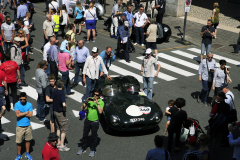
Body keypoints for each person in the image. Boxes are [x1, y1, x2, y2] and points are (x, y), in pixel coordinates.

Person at [77, 88, 104, 157]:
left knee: (94, 136)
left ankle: (93, 149)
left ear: (100, 95)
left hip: (95, 122)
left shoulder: (101, 102)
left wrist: (97, 103)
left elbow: (100, 111)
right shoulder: (90, 99)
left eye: (97, 95)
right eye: (94, 94)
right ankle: (83, 148)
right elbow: (82, 108)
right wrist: (86, 102)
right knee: (85, 135)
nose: (95, 96)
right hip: (87, 121)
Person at [209, 91, 230, 160]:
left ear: (220, 97)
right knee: (218, 141)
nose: (217, 97)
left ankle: (208, 152)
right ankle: (216, 155)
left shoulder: (216, 105)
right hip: (222, 125)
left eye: (218, 96)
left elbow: (211, 114)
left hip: (215, 125)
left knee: (211, 139)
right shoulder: (227, 106)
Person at [14, 92, 33, 160]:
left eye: (24, 99)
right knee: (19, 142)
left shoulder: (29, 104)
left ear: (26, 98)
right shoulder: (16, 104)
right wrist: (25, 113)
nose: (22, 100)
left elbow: (30, 115)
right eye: (21, 99)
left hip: (28, 125)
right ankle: (19, 154)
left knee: (28, 140)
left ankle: (27, 153)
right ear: (19, 98)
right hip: (19, 126)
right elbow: (17, 115)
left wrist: (21, 113)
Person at [52, 79, 70, 152]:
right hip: (60, 112)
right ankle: (62, 145)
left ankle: (58, 142)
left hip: (55, 111)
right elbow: (64, 104)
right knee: (64, 128)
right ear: (63, 85)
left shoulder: (54, 91)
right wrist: (64, 109)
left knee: (58, 128)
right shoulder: (61, 93)